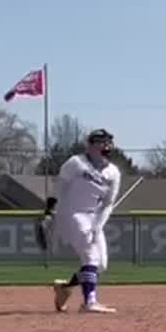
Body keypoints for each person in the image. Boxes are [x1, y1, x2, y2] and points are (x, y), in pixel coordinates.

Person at [42, 128, 123, 314]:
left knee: (100, 265)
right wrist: (49, 211)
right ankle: (89, 302)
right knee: (90, 256)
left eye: (108, 142)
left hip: (93, 217)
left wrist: (98, 226)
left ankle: (65, 287)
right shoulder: (76, 163)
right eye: (100, 142)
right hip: (71, 213)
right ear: (90, 145)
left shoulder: (113, 173)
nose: (106, 146)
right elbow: (58, 187)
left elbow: (108, 204)